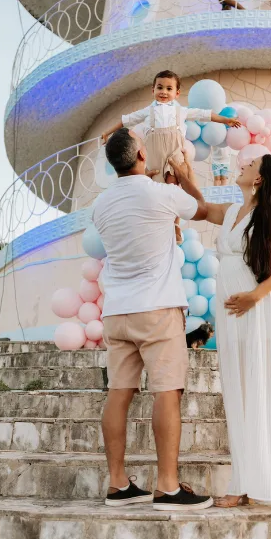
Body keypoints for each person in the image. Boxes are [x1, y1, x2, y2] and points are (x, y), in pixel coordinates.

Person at [189, 153, 271, 511]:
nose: (242, 166)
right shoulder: (232, 212)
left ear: (259, 179)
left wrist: (254, 296)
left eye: (249, 165)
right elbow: (200, 209)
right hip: (233, 316)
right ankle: (244, 481)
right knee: (241, 392)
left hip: (261, 309)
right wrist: (183, 173)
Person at [93, 128, 215, 511]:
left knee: (119, 393)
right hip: (157, 307)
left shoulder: (100, 205)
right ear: (142, 153)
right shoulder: (161, 193)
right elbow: (205, 210)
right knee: (168, 391)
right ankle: (167, 485)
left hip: (116, 311)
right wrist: (188, 180)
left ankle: (117, 483)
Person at [98, 70, 242, 183]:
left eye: (169, 88)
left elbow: (206, 114)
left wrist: (225, 120)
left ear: (177, 93)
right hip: (155, 155)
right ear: (153, 90)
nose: (164, 92)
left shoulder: (182, 111)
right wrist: (107, 132)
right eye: (160, 87)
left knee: (174, 181)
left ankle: (176, 221)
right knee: (155, 183)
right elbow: (126, 121)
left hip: (174, 152)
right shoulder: (148, 111)